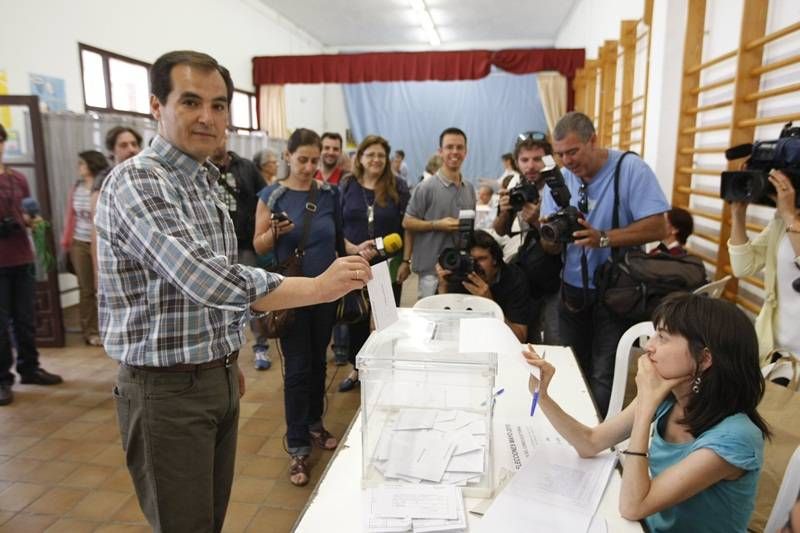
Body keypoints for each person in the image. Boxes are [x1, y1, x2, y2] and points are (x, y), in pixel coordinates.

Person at [95, 51, 370, 532]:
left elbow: (217, 277)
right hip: (166, 390)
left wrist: (223, 359)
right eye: (191, 101)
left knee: (210, 519)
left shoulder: (205, 180)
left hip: (213, 377)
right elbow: (207, 278)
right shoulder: (138, 181)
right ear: (156, 106)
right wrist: (318, 287)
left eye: (220, 105)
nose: (208, 117)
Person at [524, 292, 769, 533]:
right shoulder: (670, 396)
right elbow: (590, 442)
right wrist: (543, 396)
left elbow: (633, 506)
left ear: (704, 359)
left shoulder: (736, 438)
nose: (649, 347)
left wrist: (646, 406)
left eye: (662, 337)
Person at [540, 112, 669, 417]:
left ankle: (598, 439)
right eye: (560, 154)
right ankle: (574, 431)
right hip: (571, 291)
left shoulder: (629, 169)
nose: (567, 161)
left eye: (573, 151)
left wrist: (604, 238)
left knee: (604, 374)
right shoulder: (558, 181)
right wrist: (550, 233)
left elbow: (658, 228)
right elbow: (548, 245)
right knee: (570, 367)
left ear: (593, 140)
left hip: (618, 292)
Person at [253, 127, 353, 487]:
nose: (311, 166)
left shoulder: (329, 193)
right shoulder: (272, 195)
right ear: (287, 157)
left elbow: (339, 241)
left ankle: (314, 423)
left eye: (315, 159)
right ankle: (297, 445)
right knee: (296, 369)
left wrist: (358, 257)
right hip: (291, 294)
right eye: (303, 159)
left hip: (325, 294)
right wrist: (276, 232)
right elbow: (260, 246)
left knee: (317, 363)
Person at [337, 135, 411, 392]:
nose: (376, 160)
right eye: (370, 155)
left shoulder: (398, 186)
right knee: (356, 318)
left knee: (386, 321)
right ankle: (357, 368)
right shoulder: (347, 185)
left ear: (387, 159)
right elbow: (337, 225)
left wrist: (407, 261)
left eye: (381, 155)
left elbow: (407, 228)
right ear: (360, 158)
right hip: (354, 261)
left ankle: (387, 368)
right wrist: (351, 248)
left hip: (387, 265)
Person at [0, 123, 63, 406]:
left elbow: (25, 211)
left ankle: (30, 368)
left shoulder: (18, 179)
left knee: (25, 318)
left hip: (22, 257)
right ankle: (2, 379)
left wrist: (32, 222)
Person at [211, 133, 272, 371]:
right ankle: (221, 351)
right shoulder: (198, 169)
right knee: (217, 299)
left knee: (253, 296)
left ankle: (260, 346)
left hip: (244, 242)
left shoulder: (245, 167)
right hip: (213, 246)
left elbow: (265, 194)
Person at [495, 134, 562, 344]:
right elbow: (500, 230)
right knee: (525, 336)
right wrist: (506, 211)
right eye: (525, 160)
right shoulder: (516, 184)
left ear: (548, 160)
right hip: (527, 273)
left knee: (553, 336)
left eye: (537, 159)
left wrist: (536, 222)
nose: (531, 166)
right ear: (517, 162)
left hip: (556, 276)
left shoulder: (557, 187)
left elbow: (559, 246)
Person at [729, 170, 800, 362]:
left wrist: (789, 217)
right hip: (774, 347)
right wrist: (738, 214)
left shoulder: (788, 219)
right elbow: (743, 266)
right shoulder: (781, 222)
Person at [403, 127, 476, 299]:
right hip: (430, 273)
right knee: (430, 322)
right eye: (449, 147)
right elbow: (407, 222)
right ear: (440, 151)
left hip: (460, 269)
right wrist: (438, 224)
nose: (455, 152)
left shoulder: (470, 189)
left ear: (465, 151)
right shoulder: (426, 187)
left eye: (459, 147)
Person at [435, 230, 530, 342]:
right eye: (469, 260)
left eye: (481, 259)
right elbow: (440, 328)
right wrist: (443, 287)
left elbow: (520, 337)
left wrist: (490, 305)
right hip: (463, 340)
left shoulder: (514, 279)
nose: (474, 265)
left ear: (495, 259)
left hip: (499, 343)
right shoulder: (459, 274)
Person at [62, 150, 109, 346]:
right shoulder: (77, 186)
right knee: (86, 288)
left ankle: (108, 328)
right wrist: (66, 242)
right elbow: (70, 215)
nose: (79, 167)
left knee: (105, 287)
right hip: (80, 242)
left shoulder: (103, 184)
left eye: (82, 163)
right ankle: (90, 331)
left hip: (100, 241)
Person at [90, 127, 143, 279]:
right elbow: (96, 231)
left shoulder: (143, 175)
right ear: (112, 151)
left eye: (134, 144)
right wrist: (97, 273)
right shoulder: (104, 180)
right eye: (124, 145)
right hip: (117, 262)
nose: (132, 149)